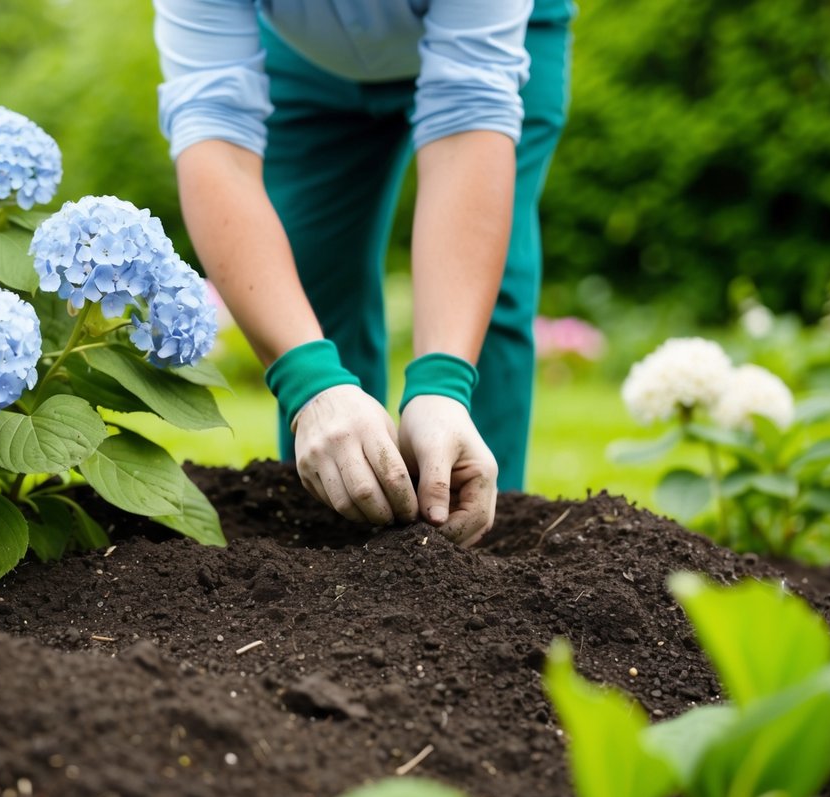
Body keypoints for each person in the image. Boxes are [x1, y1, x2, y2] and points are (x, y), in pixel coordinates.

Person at [153, 0, 572, 544]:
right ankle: (341, 550)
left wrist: (443, 382)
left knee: (488, 303)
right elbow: (215, 138)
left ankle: (479, 554)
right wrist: (311, 383)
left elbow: (470, 110)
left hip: (498, 42)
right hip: (305, 59)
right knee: (311, 295)